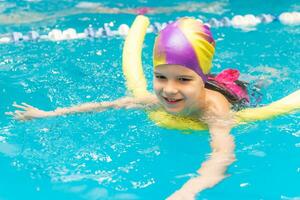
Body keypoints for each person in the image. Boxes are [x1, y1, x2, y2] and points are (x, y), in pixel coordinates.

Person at [7, 18, 246, 199]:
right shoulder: (158, 99)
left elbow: (222, 154)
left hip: (235, 93)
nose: (169, 90)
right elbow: (111, 105)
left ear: (200, 80)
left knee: (253, 85)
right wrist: (50, 114)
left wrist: (188, 191)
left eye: (183, 80)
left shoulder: (214, 109)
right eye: (161, 76)